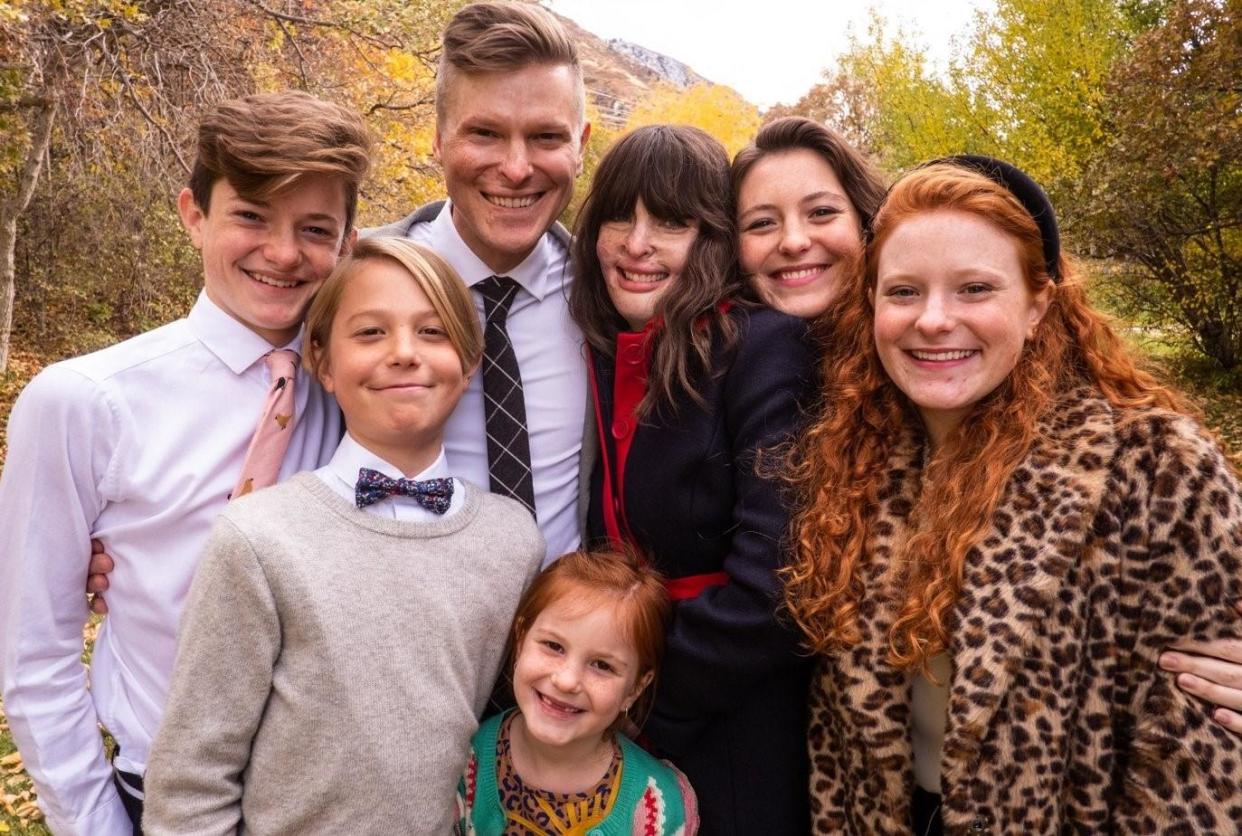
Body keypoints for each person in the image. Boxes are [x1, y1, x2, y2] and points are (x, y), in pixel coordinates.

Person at [731, 116, 1242, 730]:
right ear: (872, 302)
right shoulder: (851, 453)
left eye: (974, 289)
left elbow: (1196, 759)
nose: (935, 320)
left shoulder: (1156, 470)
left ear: (1038, 305)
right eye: (904, 292)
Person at [0, 91, 370, 835]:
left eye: (315, 229)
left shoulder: (359, 391)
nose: (283, 252)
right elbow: (33, 652)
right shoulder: (85, 402)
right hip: (158, 793)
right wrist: (95, 824)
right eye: (251, 216)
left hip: (331, 799)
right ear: (193, 214)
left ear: (348, 243)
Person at [143, 237, 545, 833]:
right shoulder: (260, 538)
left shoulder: (513, 540)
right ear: (323, 363)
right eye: (371, 333)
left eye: (433, 332)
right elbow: (190, 782)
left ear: (469, 362)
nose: (405, 353)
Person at [570, 124, 815, 834]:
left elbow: (778, 584)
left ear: (711, 239)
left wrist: (639, 702)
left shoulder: (763, 348)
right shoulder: (604, 346)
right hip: (622, 704)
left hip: (733, 719)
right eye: (620, 215)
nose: (636, 243)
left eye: (670, 222)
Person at [366, 1, 592, 564]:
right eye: (486, 133)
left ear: (581, 144)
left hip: (565, 642)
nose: (516, 168)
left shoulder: (613, 297)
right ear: (438, 140)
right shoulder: (352, 284)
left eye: (545, 137)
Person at [455, 548, 697, 834]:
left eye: (602, 665)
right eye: (554, 646)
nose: (567, 681)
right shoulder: (468, 762)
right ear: (521, 640)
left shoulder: (654, 807)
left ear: (635, 688)